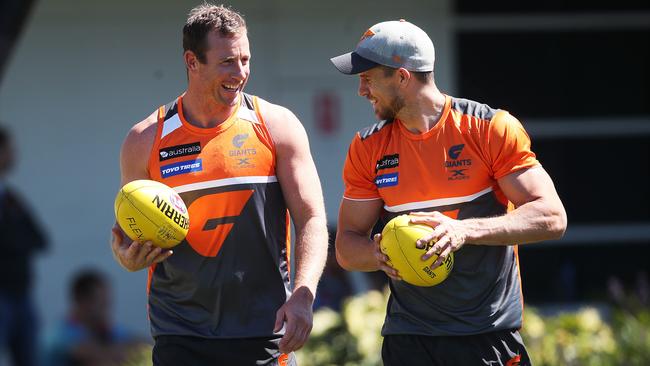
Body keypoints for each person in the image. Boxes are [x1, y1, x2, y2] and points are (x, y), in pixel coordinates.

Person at [331, 20, 567, 365]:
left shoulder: (489, 128)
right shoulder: (368, 147)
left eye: (367, 78)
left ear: (401, 76)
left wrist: (462, 231)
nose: (361, 91)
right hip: (408, 339)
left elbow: (551, 217)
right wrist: (378, 254)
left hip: (486, 335)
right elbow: (347, 247)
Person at [110, 4, 329, 366]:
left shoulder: (276, 126)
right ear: (192, 61)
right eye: (227, 61)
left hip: (263, 328)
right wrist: (125, 256)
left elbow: (311, 218)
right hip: (180, 330)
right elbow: (126, 229)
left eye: (245, 59)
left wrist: (303, 295)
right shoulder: (146, 139)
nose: (240, 72)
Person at [0, 125, 48, 366]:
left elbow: (40, 238)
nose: (13, 155)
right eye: (8, 150)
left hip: (21, 295)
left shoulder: (11, 198)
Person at [42, 270, 144, 366]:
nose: (107, 309)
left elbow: (145, 345)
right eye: (102, 303)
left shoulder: (104, 329)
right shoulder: (59, 334)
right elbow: (98, 358)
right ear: (82, 301)